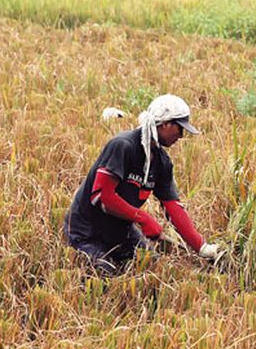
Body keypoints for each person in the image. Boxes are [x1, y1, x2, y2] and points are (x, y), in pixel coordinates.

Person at [64, 94, 219, 275]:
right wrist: (143, 219)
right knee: (104, 272)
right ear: (165, 124)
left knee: (150, 267)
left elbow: (173, 208)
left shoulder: (162, 162)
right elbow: (102, 196)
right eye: (179, 128)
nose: (181, 136)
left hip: (120, 228)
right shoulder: (123, 146)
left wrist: (202, 247)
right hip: (87, 229)